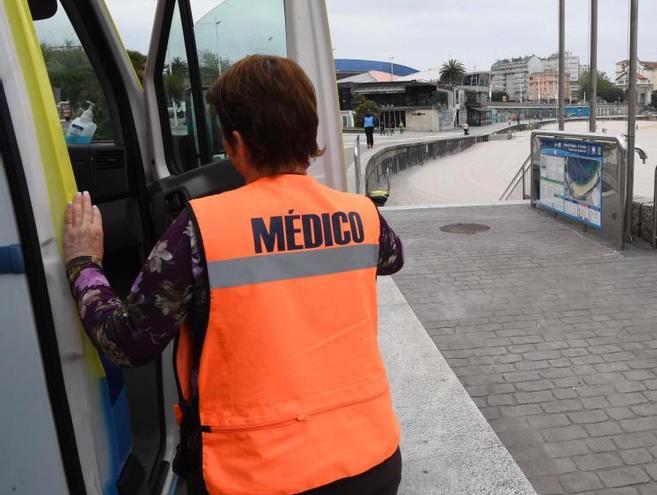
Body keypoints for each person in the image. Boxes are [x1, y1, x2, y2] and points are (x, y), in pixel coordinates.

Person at [63, 55, 404, 495]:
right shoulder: (361, 215)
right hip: (371, 461)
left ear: (237, 142)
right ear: (309, 131)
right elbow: (390, 259)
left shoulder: (200, 229)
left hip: (255, 474)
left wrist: (84, 264)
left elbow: (127, 341)